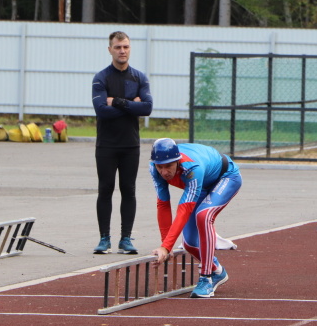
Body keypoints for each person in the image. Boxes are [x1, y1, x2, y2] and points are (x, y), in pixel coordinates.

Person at [149, 138, 242, 298]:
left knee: (204, 216)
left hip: (226, 177)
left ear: (177, 161)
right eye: (160, 167)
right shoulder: (154, 169)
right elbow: (163, 205)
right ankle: (216, 270)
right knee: (190, 243)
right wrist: (166, 244)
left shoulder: (191, 169)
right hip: (202, 185)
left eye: (169, 166)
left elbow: (183, 210)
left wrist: (167, 246)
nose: (164, 172)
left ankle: (206, 278)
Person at [91, 31, 153, 254]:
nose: (122, 51)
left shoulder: (139, 77)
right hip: (106, 145)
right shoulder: (101, 78)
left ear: (130, 48)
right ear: (110, 49)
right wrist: (130, 106)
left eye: (125, 47)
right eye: (118, 47)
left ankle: (125, 239)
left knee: (129, 190)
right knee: (105, 190)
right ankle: (104, 238)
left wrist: (116, 102)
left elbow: (146, 108)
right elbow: (101, 112)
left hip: (130, 145)